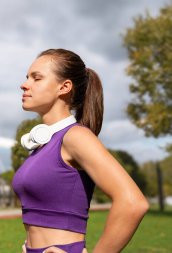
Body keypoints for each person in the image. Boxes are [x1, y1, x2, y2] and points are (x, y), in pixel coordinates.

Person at [12, 48, 149, 253]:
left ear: (64, 87)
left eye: (36, 78)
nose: (24, 84)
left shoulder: (76, 137)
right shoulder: (44, 143)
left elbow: (133, 203)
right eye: (27, 78)